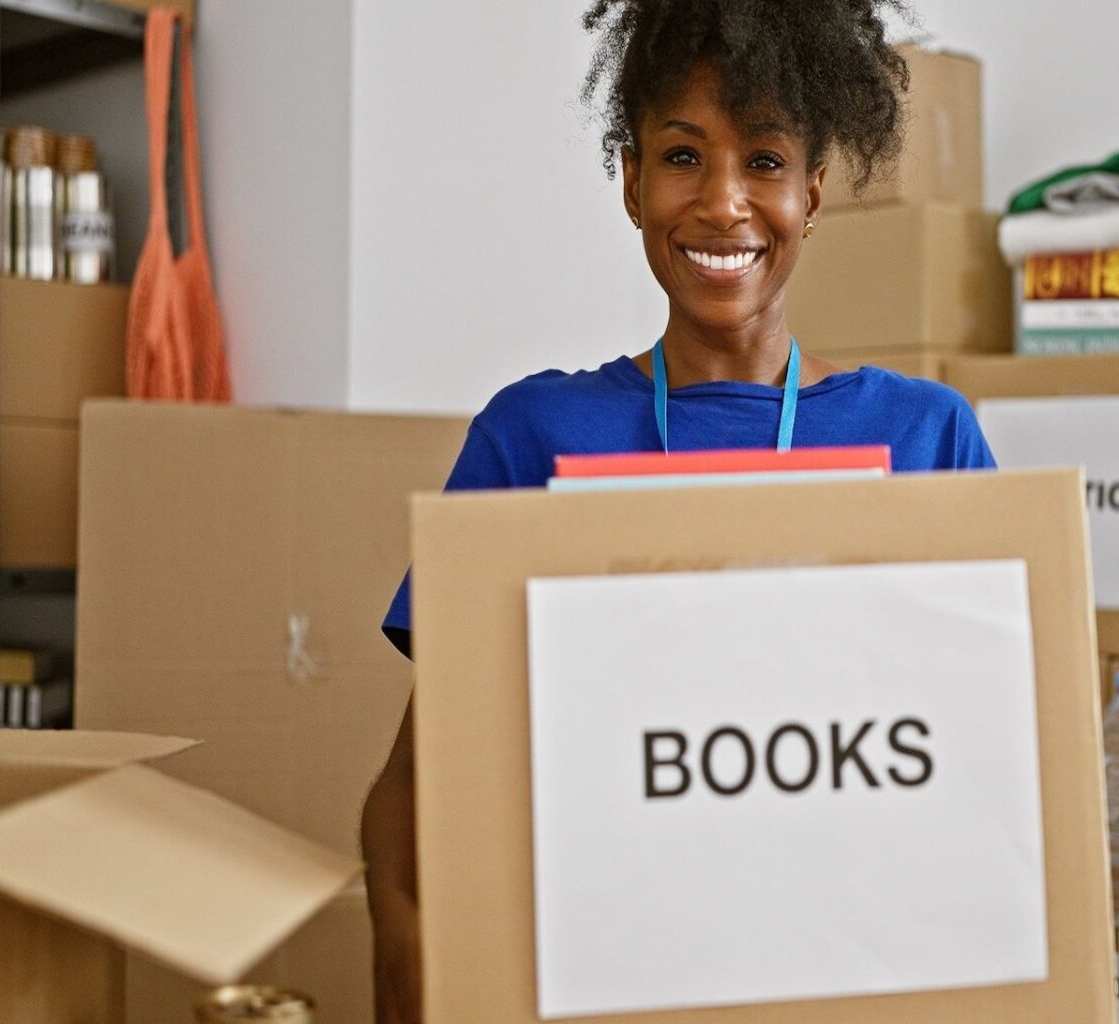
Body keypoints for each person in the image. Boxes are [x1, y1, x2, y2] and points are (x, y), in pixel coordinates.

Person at [360, 1, 994, 1020]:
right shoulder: (534, 436)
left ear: (815, 194)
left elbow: (988, 774)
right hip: (592, 980)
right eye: (685, 155)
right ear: (631, 181)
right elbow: (414, 780)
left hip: (843, 978)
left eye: (767, 161)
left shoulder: (926, 438)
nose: (725, 203)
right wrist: (404, 948)